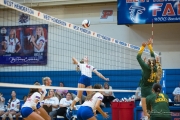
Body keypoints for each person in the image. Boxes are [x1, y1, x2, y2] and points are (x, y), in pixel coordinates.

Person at [136, 38, 162, 120]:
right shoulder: (155, 68)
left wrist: (143, 47)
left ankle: (147, 117)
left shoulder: (146, 68)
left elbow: (138, 57)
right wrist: (150, 46)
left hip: (145, 89)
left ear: (147, 63)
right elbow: (153, 56)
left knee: (145, 110)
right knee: (151, 109)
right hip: (152, 90)